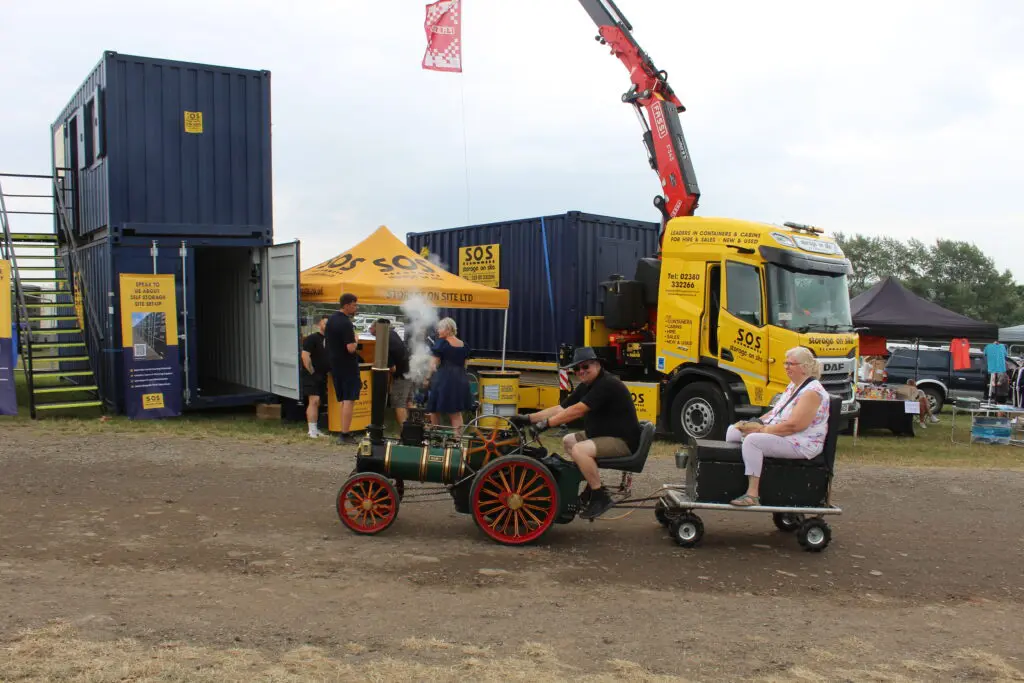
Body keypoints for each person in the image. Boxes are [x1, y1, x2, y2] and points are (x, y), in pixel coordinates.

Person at [509, 347, 641, 520]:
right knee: (569, 440)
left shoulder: (607, 384)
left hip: (622, 441)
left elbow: (577, 411)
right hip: (605, 434)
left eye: (585, 367)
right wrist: (528, 419)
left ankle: (599, 495)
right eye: (577, 369)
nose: (581, 371)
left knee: (579, 450)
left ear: (597, 365)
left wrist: (545, 425)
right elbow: (561, 408)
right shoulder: (588, 385)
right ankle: (590, 488)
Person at [725, 346, 832, 507]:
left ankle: (752, 494)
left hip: (801, 442)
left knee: (753, 440)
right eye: (785, 363)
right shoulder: (793, 386)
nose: (786, 367)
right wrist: (753, 423)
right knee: (733, 431)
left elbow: (794, 426)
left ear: (804, 367)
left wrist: (761, 430)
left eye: (790, 364)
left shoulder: (812, 392)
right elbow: (774, 413)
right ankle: (734, 479)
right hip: (784, 434)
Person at [425, 317, 472, 434]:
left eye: (440, 328)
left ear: (448, 329)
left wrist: (427, 378)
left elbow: (432, 365)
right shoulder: (464, 345)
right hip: (460, 379)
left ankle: (434, 436)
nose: (438, 331)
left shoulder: (441, 344)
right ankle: (458, 440)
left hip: (444, 379)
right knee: (456, 412)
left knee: (434, 409)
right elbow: (465, 365)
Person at [326, 293, 361, 444]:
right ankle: (345, 434)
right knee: (349, 399)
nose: (356, 307)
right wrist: (356, 339)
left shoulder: (331, 320)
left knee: (343, 400)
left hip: (335, 364)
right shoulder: (346, 323)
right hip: (347, 365)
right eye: (354, 305)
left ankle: (343, 430)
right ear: (346, 305)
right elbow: (351, 348)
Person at [370, 320, 412, 425]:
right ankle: (417, 431)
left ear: (377, 328)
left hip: (401, 376)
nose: (370, 330)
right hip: (410, 372)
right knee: (409, 403)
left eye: (372, 328)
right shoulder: (393, 333)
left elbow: (393, 368)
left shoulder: (384, 342)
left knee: (399, 404)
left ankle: (406, 434)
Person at [300, 315, 330, 438]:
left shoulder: (331, 340)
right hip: (311, 375)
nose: (327, 326)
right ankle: (311, 430)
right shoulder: (312, 339)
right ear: (319, 325)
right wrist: (312, 373)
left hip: (323, 375)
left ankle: (315, 429)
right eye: (325, 323)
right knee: (314, 400)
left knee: (318, 402)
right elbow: (305, 357)